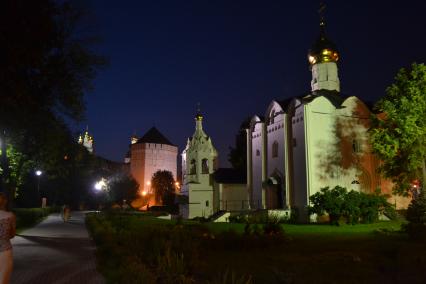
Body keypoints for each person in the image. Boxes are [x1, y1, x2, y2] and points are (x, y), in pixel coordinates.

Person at [0, 192, 15, 284]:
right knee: (3, 280)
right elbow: (12, 235)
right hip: (5, 251)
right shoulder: (10, 216)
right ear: (4, 202)